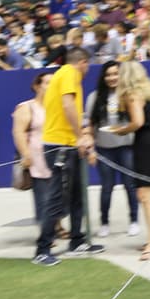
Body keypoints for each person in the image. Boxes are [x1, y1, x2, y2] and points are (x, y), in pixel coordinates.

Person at [34, 47, 104, 266]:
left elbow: (71, 109)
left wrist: (79, 138)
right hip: (60, 146)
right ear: (82, 62)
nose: (87, 70)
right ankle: (42, 250)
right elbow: (67, 105)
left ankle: (77, 240)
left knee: (76, 196)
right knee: (56, 199)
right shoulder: (69, 73)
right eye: (87, 65)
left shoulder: (62, 75)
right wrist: (80, 136)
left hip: (67, 144)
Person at [108, 61, 150, 261]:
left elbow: (136, 122)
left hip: (147, 143)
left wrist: (120, 131)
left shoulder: (132, 94)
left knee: (145, 194)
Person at [86, 60, 140, 239]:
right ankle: (104, 223)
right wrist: (91, 149)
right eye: (108, 74)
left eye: (115, 74)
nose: (112, 78)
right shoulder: (94, 97)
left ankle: (134, 221)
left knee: (130, 185)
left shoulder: (128, 94)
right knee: (106, 187)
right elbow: (90, 125)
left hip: (126, 147)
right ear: (103, 77)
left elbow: (137, 120)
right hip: (104, 149)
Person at [13, 72, 52, 224]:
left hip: (56, 156)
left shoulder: (57, 105)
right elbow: (18, 132)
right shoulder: (27, 107)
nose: (51, 86)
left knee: (58, 194)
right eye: (48, 83)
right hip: (37, 158)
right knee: (42, 195)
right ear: (37, 86)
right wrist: (25, 154)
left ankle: (57, 225)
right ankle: (44, 229)